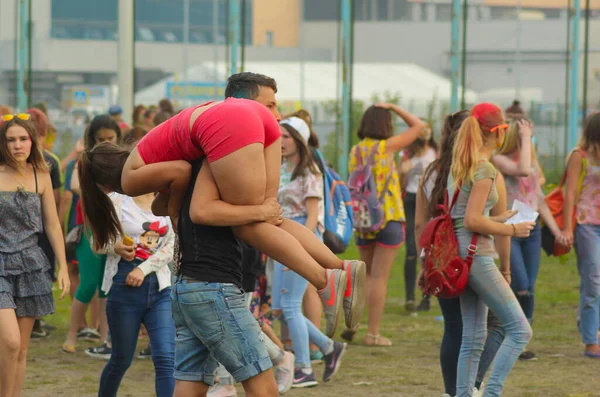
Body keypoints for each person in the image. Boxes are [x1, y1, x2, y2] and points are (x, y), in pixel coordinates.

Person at [78, 72, 366, 339]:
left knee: (246, 224)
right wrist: (168, 205)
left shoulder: (128, 179)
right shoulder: (147, 153)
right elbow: (164, 196)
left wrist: (177, 211)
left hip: (228, 123)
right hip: (258, 120)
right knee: (269, 219)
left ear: (105, 186)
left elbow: (181, 172)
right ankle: (341, 267)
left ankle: (322, 280)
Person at [415, 110, 515, 397]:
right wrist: (506, 268)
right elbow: (498, 221)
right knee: (497, 324)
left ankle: (454, 391)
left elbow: (421, 223)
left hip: (441, 258)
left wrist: (425, 261)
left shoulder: (432, 170)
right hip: (472, 254)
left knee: (454, 327)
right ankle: (471, 386)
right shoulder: (483, 170)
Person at [169, 159, 279, 397]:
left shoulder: (189, 160)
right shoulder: (219, 159)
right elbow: (202, 211)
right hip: (213, 289)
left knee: (191, 384)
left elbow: (165, 206)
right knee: (264, 387)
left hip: (187, 287)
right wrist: (261, 211)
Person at [449, 103, 534, 396]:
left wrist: (497, 219)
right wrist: (512, 229)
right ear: (497, 132)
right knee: (520, 330)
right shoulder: (484, 169)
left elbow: (464, 217)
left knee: (473, 337)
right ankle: (491, 392)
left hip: (461, 254)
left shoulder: (463, 165)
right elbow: (472, 220)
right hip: (476, 256)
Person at [271, 117, 347, 388]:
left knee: (291, 305)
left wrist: (299, 252)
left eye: (287, 137)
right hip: (278, 239)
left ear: (300, 140)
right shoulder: (279, 168)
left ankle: (304, 368)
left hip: (300, 238)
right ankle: (328, 347)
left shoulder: (310, 171)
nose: (280, 141)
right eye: (278, 136)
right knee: (279, 308)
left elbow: (313, 215)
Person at [344, 103, 425, 346]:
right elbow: (418, 126)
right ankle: (373, 334)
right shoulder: (387, 147)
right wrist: (393, 106)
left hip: (363, 219)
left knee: (364, 274)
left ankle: (354, 324)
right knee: (379, 277)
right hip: (387, 217)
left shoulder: (355, 150)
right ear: (385, 124)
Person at [0, 113, 70, 397]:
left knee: (21, 350)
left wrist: (63, 267)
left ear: (32, 141)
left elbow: (52, 224)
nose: (18, 145)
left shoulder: (42, 174)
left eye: (23, 139)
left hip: (30, 264)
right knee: (10, 342)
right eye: (11, 140)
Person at [492, 116, 567, 361]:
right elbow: (521, 169)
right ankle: (513, 336)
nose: (530, 140)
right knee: (520, 284)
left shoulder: (533, 165)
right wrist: (525, 138)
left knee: (529, 287)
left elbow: (539, 200)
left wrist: (557, 232)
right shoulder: (498, 159)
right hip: (510, 231)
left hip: (532, 230)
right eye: (525, 136)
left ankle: (520, 340)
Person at [96, 190, 175, 396]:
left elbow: (173, 245)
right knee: (121, 360)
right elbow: (97, 242)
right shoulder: (116, 200)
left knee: (166, 358)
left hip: (160, 286)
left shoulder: (169, 199)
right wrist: (115, 247)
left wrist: (144, 268)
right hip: (123, 283)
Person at [62, 115, 123, 353]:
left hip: (118, 228)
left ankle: (105, 338)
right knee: (88, 284)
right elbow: (76, 187)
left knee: (108, 286)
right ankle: (72, 335)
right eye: (101, 138)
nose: (106, 142)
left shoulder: (123, 161)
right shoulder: (84, 162)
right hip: (89, 228)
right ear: (92, 139)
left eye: (110, 137)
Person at [563, 112, 600, 358]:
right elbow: (570, 194)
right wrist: (567, 228)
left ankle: (589, 325)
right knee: (594, 280)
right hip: (587, 224)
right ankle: (590, 340)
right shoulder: (580, 156)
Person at [398, 122, 436, 312]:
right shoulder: (406, 154)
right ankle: (410, 297)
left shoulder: (435, 152)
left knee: (430, 249)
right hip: (412, 199)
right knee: (413, 250)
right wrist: (402, 171)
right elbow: (400, 178)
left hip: (433, 199)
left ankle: (426, 297)